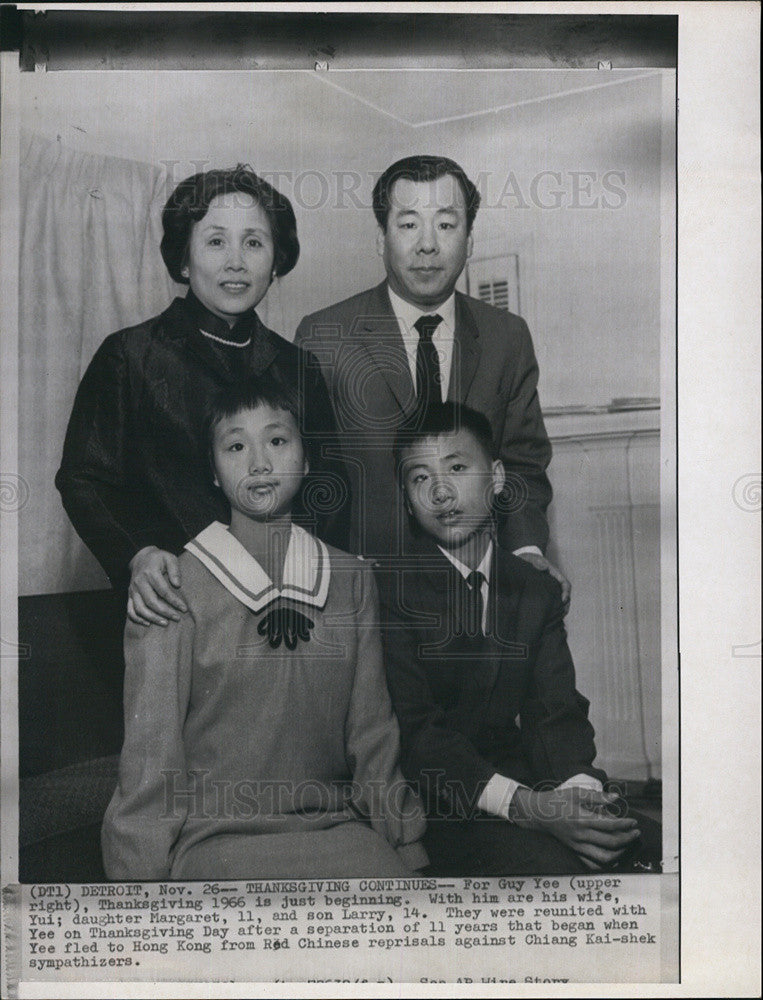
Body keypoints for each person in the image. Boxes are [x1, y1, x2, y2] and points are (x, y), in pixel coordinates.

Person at [101, 377, 427, 880]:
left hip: (337, 833)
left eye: (277, 441)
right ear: (212, 471)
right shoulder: (170, 584)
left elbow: (373, 736)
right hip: (215, 841)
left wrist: (407, 851)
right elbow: (150, 759)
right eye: (235, 446)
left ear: (308, 458)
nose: (259, 463)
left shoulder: (352, 578)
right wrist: (138, 888)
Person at [376, 401, 661, 875]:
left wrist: (580, 797)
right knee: (560, 876)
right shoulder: (388, 592)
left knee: (657, 848)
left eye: (458, 467)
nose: (441, 493)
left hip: (529, 787)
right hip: (441, 806)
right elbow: (418, 736)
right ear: (406, 499)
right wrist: (530, 808)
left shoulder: (534, 588)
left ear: (499, 477)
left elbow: (556, 710)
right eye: (419, 479)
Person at [56, 165, 348, 627]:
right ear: (184, 260)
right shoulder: (129, 356)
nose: (236, 261)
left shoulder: (298, 367)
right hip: (175, 609)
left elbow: (330, 486)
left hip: (287, 605)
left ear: (276, 261)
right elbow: (83, 478)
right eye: (216, 241)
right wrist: (138, 556)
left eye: (253, 242)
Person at [295, 154, 568, 602]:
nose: (427, 245)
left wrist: (526, 549)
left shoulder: (507, 336)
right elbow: (308, 478)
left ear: (470, 239)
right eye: (408, 225)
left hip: (479, 594)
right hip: (365, 598)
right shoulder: (324, 336)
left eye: (445, 225)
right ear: (380, 238)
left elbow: (522, 463)